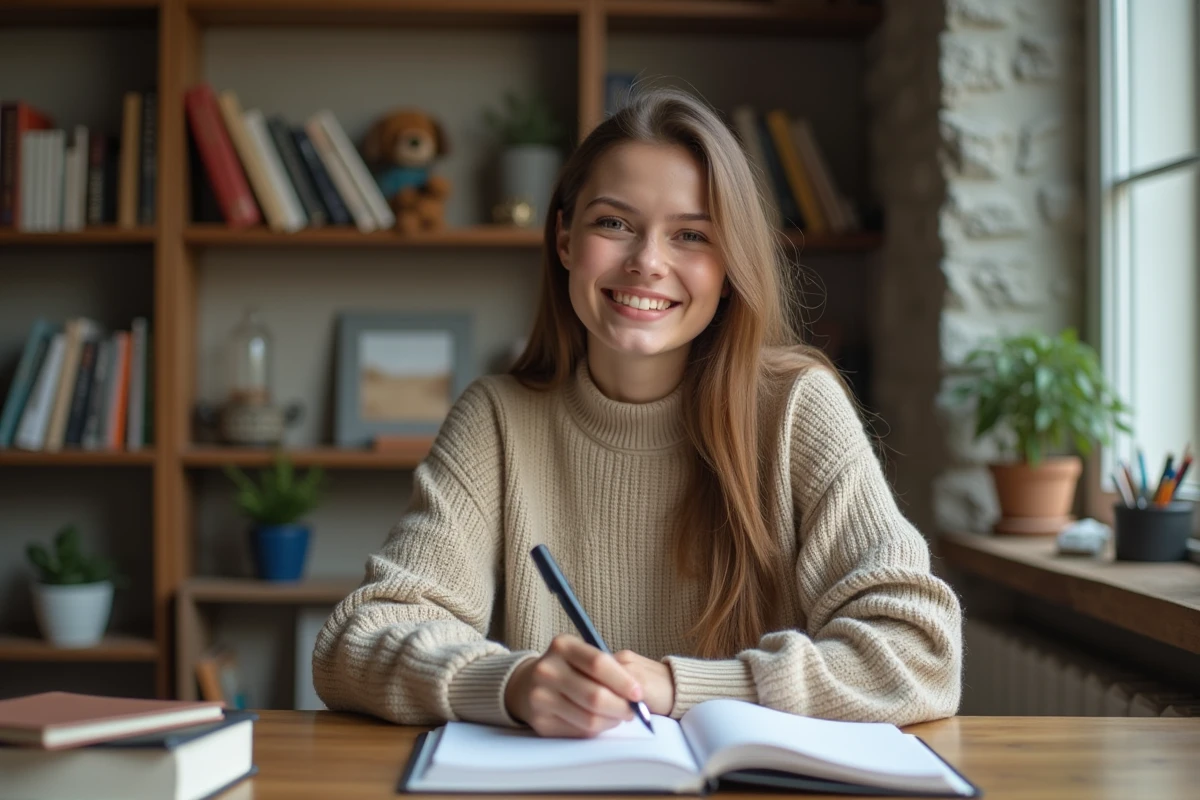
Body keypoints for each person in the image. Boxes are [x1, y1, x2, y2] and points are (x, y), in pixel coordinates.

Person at [312, 87, 963, 738]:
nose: (648, 262)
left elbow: (922, 653)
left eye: (690, 235)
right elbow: (355, 641)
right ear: (565, 238)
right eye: (613, 223)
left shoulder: (796, 408)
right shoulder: (497, 421)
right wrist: (509, 684)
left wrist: (678, 688)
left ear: (730, 262)